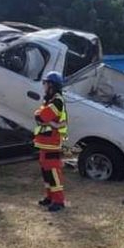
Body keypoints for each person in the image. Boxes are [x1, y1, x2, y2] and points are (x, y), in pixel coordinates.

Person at [34, 71, 68, 212]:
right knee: (46, 172)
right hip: (45, 142)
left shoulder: (57, 101)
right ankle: (50, 197)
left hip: (52, 142)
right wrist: (40, 116)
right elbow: (40, 116)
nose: (43, 86)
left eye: (45, 83)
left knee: (53, 172)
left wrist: (40, 116)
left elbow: (41, 117)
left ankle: (58, 201)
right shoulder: (49, 99)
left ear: (51, 85)